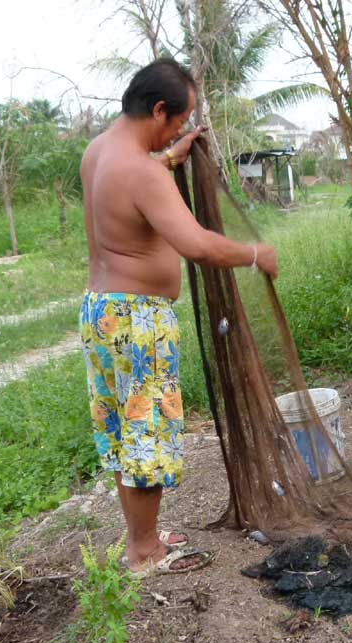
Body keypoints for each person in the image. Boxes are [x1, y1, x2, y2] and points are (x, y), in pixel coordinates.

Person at [79, 59, 278, 576]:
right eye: (177, 122)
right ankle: (145, 553)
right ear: (159, 109)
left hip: (101, 313)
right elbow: (196, 245)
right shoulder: (142, 170)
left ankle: (140, 537)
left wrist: (169, 157)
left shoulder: (99, 152)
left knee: (127, 433)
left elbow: (127, 200)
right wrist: (255, 253)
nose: (178, 132)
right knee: (146, 433)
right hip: (138, 321)